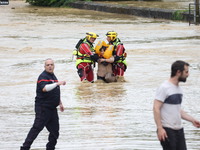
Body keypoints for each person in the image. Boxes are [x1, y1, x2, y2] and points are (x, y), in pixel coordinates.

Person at [153, 60, 200, 150]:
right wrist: (160, 128)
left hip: (179, 130)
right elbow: (156, 108)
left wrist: (192, 120)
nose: (188, 74)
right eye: (186, 72)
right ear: (178, 72)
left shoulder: (178, 89)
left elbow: (178, 110)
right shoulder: (164, 87)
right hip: (167, 130)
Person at [20, 58, 66, 150]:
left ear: (54, 66)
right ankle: (25, 148)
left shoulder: (53, 76)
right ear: (44, 66)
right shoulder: (43, 76)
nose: (50, 66)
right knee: (37, 128)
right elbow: (45, 88)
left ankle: (50, 148)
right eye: (48, 65)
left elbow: (55, 91)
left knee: (55, 131)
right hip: (43, 107)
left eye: (51, 65)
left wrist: (60, 103)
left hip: (52, 109)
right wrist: (57, 84)